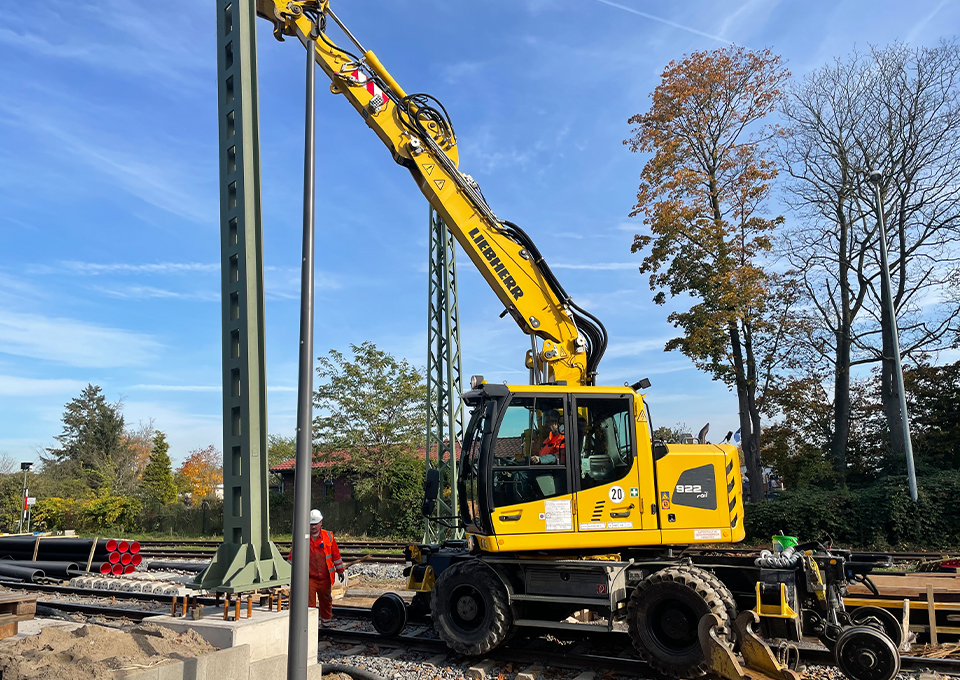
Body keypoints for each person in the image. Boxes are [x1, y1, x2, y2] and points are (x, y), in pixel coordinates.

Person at [288, 509, 344, 626]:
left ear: (321, 522)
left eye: (315, 523)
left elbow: (335, 555)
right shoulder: (302, 537)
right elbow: (293, 557)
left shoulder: (328, 536)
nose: (313, 526)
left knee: (326, 602)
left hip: (325, 578)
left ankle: (326, 625)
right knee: (309, 604)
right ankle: (310, 627)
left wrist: (340, 571)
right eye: (311, 524)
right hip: (309, 578)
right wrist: (287, 574)